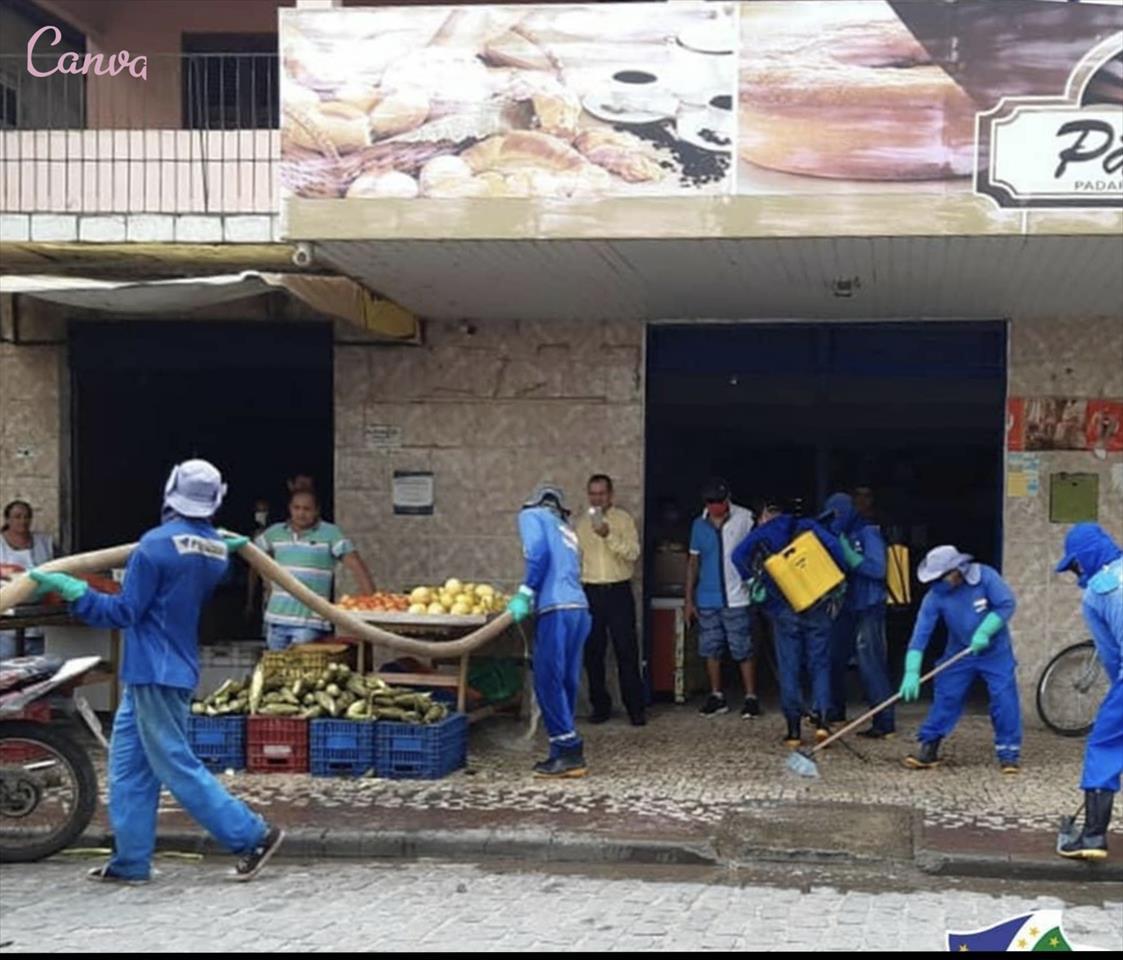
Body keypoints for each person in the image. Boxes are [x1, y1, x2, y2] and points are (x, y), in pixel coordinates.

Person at [27, 459, 283, 883]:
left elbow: (123, 612)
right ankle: (131, 861)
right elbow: (199, 553)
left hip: (154, 670)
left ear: (170, 492)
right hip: (166, 667)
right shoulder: (218, 551)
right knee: (129, 765)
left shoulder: (154, 546)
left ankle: (252, 834)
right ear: (215, 500)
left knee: (175, 764)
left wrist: (76, 591)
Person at [732, 498, 847, 746]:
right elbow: (837, 550)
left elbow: (737, 555)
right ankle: (823, 721)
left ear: (765, 515)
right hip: (817, 602)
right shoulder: (808, 526)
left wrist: (753, 581)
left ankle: (794, 729)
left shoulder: (762, 533)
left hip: (783, 607)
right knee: (820, 662)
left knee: (789, 666)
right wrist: (834, 580)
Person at [898, 545, 1022, 773]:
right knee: (947, 695)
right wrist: (912, 670)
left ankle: (1009, 753)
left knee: (1004, 697)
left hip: (995, 652)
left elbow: (1006, 604)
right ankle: (929, 746)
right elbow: (921, 633)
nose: (935, 584)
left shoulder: (985, 577)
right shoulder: (935, 596)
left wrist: (985, 631)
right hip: (959, 652)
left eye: (939, 578)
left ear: (956, 571)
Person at [506, 483, 592, 778]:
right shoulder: (566, 528)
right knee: (565, 681)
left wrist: (525, 592)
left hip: (556, 610)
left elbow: (538, 554)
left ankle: (569, 751)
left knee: (547, 681)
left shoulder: (532, 516)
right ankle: (562, 751)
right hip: (579, 610)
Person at [1054, 523, 1122, 860]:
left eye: (1076, 564)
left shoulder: (1098, 591)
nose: (1076, 572)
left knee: (1104, 745)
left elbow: (1110, 654)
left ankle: (1093, 837)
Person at [255, 489, 375, 651]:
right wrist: (267, 582)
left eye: (307, 509)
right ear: (290, 509)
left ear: (317, 510)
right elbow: (254, 554)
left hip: (310, 622)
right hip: (276, 619)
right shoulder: (275, 532)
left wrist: (372, 602)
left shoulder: (330, 533)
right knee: (277, 672)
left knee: (304, 672)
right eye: (296, 508)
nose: (301, 513)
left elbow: (355, 563)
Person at [821, 492, 895, 738]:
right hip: (846, 606)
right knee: (833, 657)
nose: (835, 520)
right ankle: (834, 710)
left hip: (869, 606)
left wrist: (852, 558)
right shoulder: (840, 534)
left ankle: (884, 723)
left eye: (837, 515)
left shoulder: (868, 532)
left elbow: (879, 569)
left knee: (870, 664)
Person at [686, 477, 760, 719]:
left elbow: (759, 551)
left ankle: (751, 697)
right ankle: (716, 695)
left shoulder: (745, 519)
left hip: (737, 595)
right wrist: (689, 599)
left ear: (727, 499)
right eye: (711, 502)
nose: (716, 506)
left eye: (719, 501)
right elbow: (693, 562)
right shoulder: (699, 525)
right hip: (708, 596)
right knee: (710, 649)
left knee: (743, 648)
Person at [575, 474, 646, 727]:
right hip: (591, 592)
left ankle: (635, 708)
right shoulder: (582, 524)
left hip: (618, 591)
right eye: (592, 493)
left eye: (601, 493)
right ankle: (600, 706)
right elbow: (577, 560)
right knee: (593, 652)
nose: (597, 498)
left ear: (611, 495)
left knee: (626, 650)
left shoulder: (623, 519)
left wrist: (608, 535)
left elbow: (633, 553)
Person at [0, 500, 56, 658]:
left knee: (36, 672)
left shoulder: (45, 542)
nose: (23, 521)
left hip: (40, 618)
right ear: (7, 520)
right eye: (17, 517)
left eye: (27, 517)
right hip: (6, 624)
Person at [243, 498, 272, 628]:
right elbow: (253, 569)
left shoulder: (277, 535)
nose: (261, 514)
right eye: (258, 511)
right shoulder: (257, 536)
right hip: (267, 591)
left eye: (264, 511)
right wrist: (250, 601)